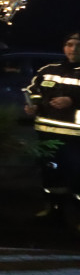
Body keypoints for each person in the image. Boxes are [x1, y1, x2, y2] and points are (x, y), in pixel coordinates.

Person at [25, 32, 80, 223]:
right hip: (46, 134)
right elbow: (34, 91)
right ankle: (54, 212)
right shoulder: (48, 70)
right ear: (64, 47)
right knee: (51, 173)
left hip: (75, 138)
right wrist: (34, 105)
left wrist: (72, 101)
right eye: (69, 44)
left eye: (78, 45)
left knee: (77, 176)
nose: (73, 49)